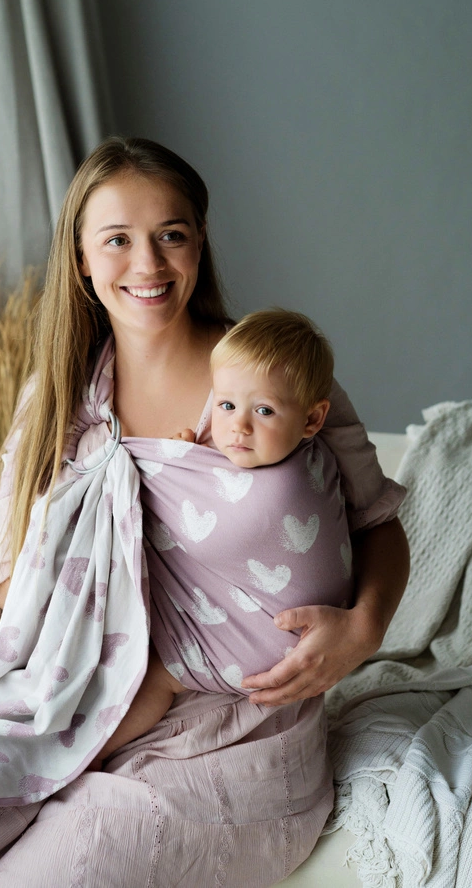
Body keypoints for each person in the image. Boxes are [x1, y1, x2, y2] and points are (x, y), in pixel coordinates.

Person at [0, 137, 409, 888]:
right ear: (80, 257)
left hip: (233, 736)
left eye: (171, 234)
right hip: (79, 700)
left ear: (200, 240)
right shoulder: (60, 403)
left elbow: (378, 522)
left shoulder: (274, 382)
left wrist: (364, 629)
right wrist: (93, 619)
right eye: (117, 240)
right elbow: (10, 572)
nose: (148, 264)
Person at [92, 307, 350, 767]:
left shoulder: (287, 488)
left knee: (161, 674)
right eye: (226, 406)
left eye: (264, 411)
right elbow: (223, 480)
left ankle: (95, 753)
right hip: (302, 634)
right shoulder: (312, 453)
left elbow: (174, 514)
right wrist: (195, 458)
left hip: (279, 650)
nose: (238, 427)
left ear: (313, 420)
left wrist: (178, 473)